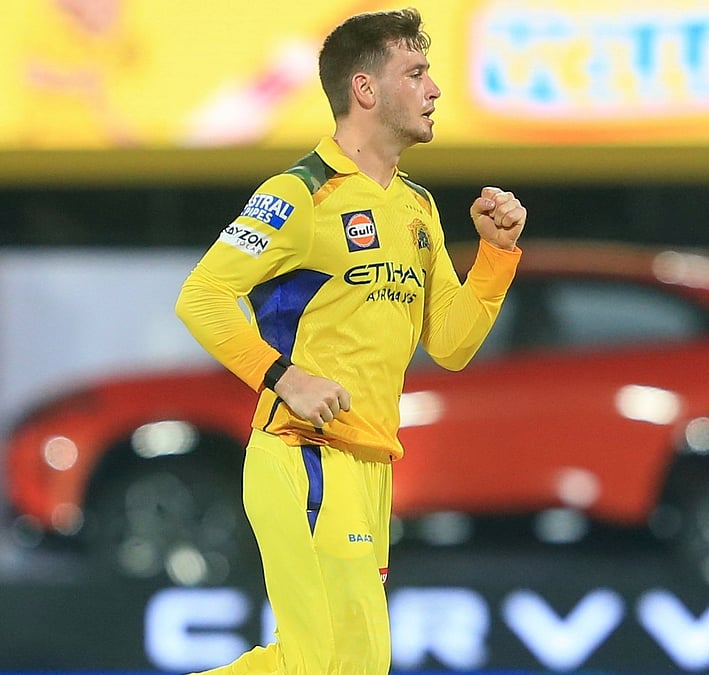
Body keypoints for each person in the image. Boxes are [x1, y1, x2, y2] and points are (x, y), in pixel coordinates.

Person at [175, 8, 526, 674]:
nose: (434, 89)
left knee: (348, 665)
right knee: (324, 664)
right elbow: (202, 296)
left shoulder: (417, 208)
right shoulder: (298, 194)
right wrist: (286, 377)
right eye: (415, 73)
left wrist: (496, 255)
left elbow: (451, 344)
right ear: (365, 89)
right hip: (304, 454)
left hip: (369, 468)